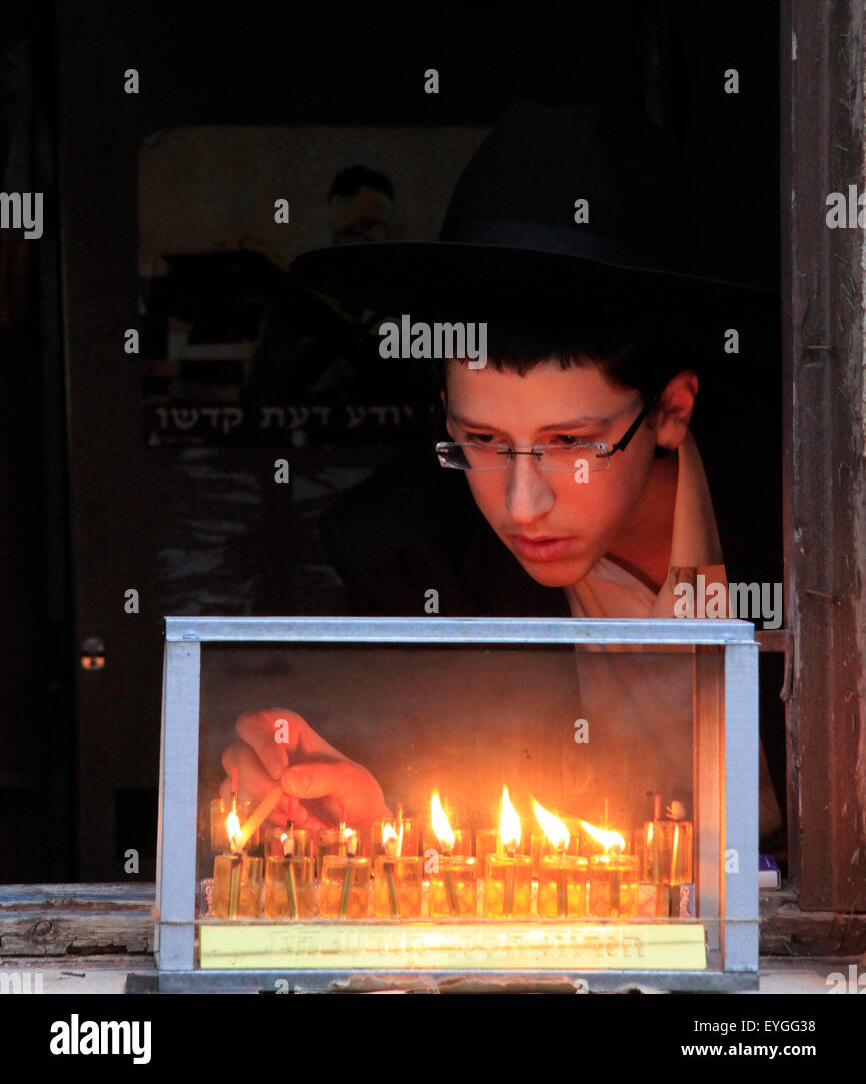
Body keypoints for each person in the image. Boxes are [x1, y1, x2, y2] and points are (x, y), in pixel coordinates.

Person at [220, 103, 784, 840]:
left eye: (572, 441)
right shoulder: (404, 554)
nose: (522, 505)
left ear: (672, 410)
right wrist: (360, 813)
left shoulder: (817, 518)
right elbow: (419, 803)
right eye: (481, 439)